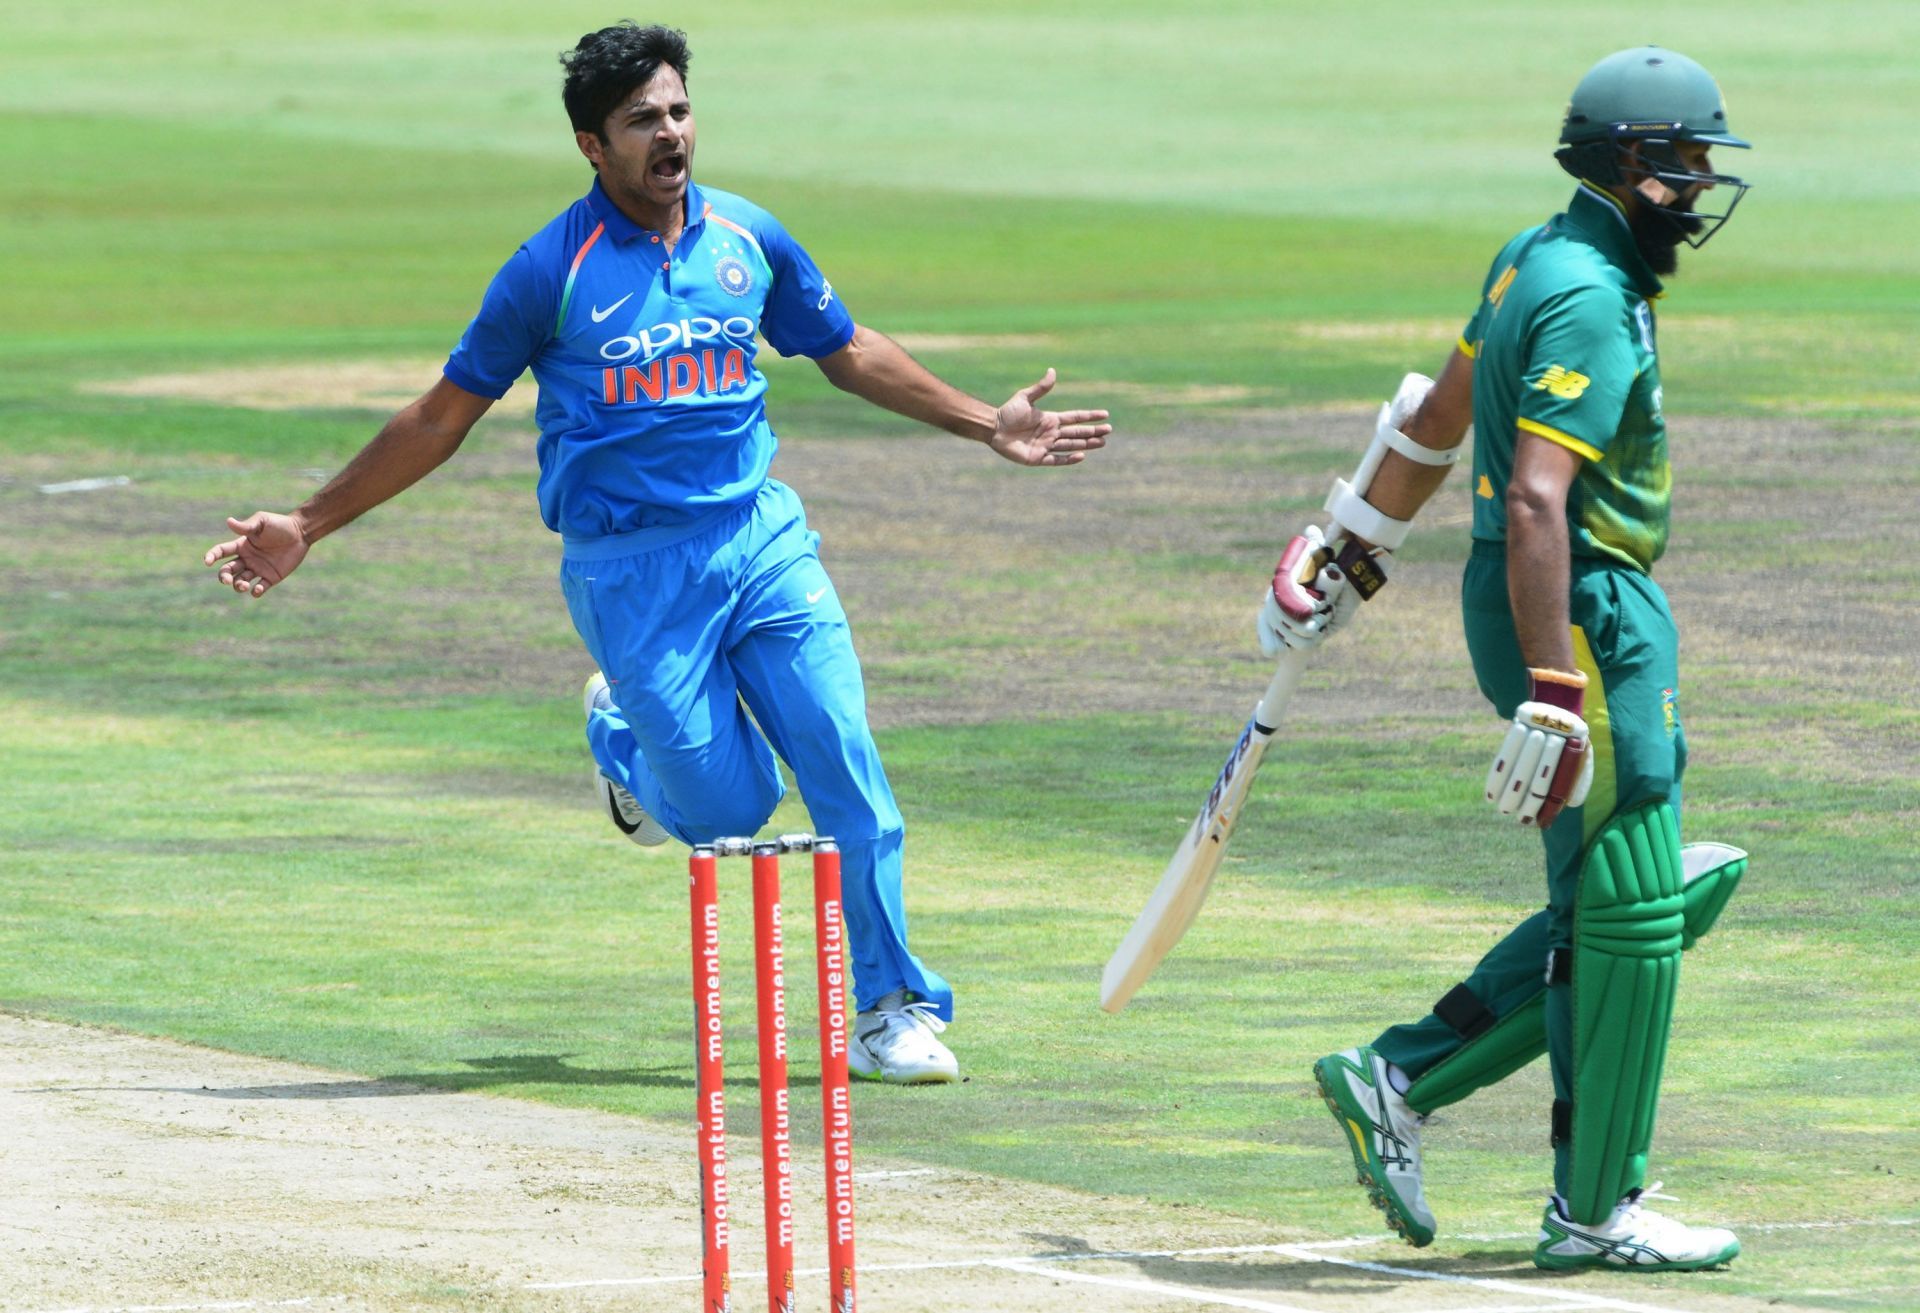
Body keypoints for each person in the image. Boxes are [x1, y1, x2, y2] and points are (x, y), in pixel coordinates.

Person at [203, 22, 1111, 1086]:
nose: (670, 134)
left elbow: (847, 349)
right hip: (632, 574)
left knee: (843, 763)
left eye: (678, 110)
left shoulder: (748, 237)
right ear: (594, 146)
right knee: (731, 810)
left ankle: (890, 1005)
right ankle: (619, 735)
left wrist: (983, 423)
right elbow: (442, 415)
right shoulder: (549, 272)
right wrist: (307, 524)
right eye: (643, 120)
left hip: (761, 538)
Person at [1255, 47, 1752, 1270]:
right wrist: (1555, 686)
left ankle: (1402, 1076)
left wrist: (1344, 542)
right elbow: (1537, 499)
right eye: (1683, 165)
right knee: (1633, 915)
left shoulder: (1535, 253)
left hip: (1549, 599)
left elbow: (1432, 421)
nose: (1697, 187)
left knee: (1628, 902)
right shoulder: (1584, 291)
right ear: (1629, 166)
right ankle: (1594, 1211)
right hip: (1581, 605)